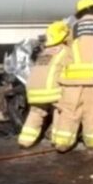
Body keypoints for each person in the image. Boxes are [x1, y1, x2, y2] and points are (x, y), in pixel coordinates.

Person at [51, 0, 93, 152]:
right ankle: (92, 142)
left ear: (80, 12)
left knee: (69, 111)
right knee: (92, 112)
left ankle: (62, 142)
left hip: (72, 79)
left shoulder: (72, 27)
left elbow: (65, 49)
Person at [17, 20, 71, 148]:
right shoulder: (66, 51)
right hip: (50, 90)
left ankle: (25, 141)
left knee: (36, 112)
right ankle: (57, 140)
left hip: (33, 90)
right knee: (60, 110)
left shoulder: (45, 52)